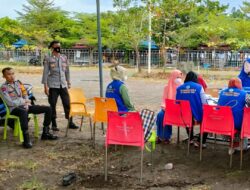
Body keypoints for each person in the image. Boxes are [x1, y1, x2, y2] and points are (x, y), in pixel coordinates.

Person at [0, 67, 57, 148]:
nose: (11, 76)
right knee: (23, 112)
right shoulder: (3, 88)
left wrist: (26, 101)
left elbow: (25, 93)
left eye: (13, 74)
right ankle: (26, 140)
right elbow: (10, 102)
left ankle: (46, 133)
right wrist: (25, 102)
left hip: (25, 106)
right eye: (8, 74)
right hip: (14, 109)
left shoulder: (19, 83)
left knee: (48, 109)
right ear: (4, 76)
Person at [42, 40, 78, 131]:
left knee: (67, 103)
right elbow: (45, 73)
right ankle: (53, 124)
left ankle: (70, 122)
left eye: (59, 46)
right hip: (53, 85)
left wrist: (68, 82)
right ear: (52, 47)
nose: (58, 48)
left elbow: (67, 71)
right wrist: (45, 86)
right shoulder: (48, 58)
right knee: (52, 104)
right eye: (56, 46)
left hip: (63, 84)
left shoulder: (64, 58)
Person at [176, 71, 208, 147]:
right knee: (207, 119)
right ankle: (201, 141)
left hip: (183, 117)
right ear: (195, 79)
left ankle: (190, 139)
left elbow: (177, 102)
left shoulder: (179, 88)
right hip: (196, 117)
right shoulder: (199, 87)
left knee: (187, 113)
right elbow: (205, 103)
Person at [218, 78, 250, 152]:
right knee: (245, 119)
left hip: (223, 123)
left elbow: (218, 106)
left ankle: (233, 144)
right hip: (237, 124)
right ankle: (242, 146)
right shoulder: (244, 93)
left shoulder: (222, 92)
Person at [156, 69, 183, 144]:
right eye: (177, 77)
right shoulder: (166, 88)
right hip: (168, 108)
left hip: (179, 110)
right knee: (160, 115)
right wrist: (164, 107)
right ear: (173, 77)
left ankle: (167, 137)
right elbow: (164, 101)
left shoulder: (182, 88)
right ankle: (161, 136)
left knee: (167, 115)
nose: (179, 79)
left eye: (180, 77)